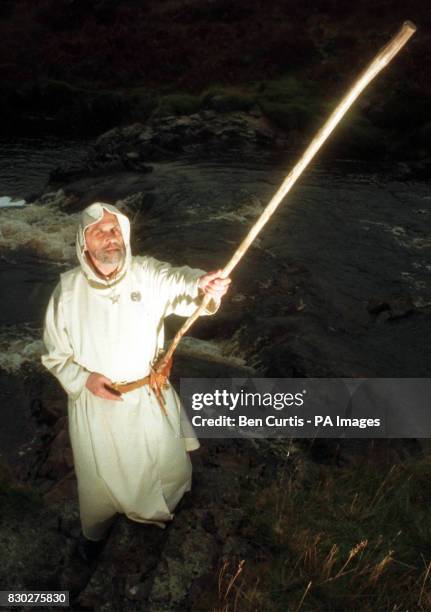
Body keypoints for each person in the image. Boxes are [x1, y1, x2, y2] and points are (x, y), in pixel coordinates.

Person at [41, 202, 230, 558]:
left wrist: (202, 284)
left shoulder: (145, 273)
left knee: (165, 466)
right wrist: (84, 379)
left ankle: (167, 510)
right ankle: (104, 532)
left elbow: (179, 280)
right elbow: (53, 354)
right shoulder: (66, 292)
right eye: (100, 232)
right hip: (99, 406)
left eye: (114, 230)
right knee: (107, 480)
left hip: (148, 394)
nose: (110, 238)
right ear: (85, 244)